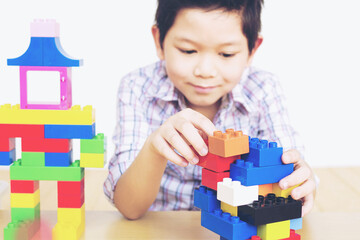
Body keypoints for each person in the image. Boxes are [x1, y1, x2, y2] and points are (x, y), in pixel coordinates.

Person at [104, 0, 316, 220]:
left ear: (252, 49)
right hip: (161, 227)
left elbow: (298, 176)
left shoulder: (263, 89)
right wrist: (154, 149)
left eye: (226, 54)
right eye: (188, 50)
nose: (205, 70)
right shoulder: (138, 88)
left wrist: (299, 182)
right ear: (159, 41)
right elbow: (129, 207)